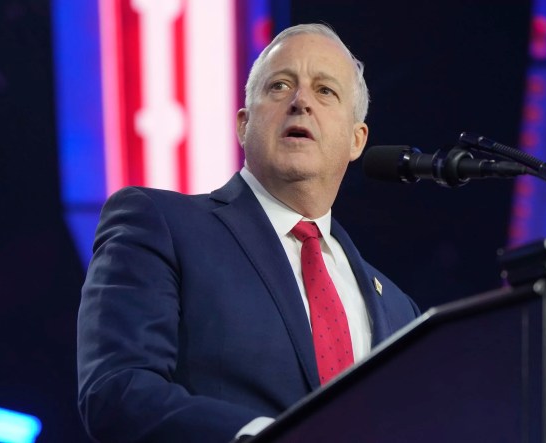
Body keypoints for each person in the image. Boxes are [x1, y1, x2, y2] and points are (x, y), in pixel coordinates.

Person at [77, 23, 420, 443]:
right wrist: (265, 437)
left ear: (356, 139)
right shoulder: (159, 224)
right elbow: (117, 391)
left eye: (325, 91)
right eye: (279, 86)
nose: (300, 102)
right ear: (243, 124)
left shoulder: (401, 309)